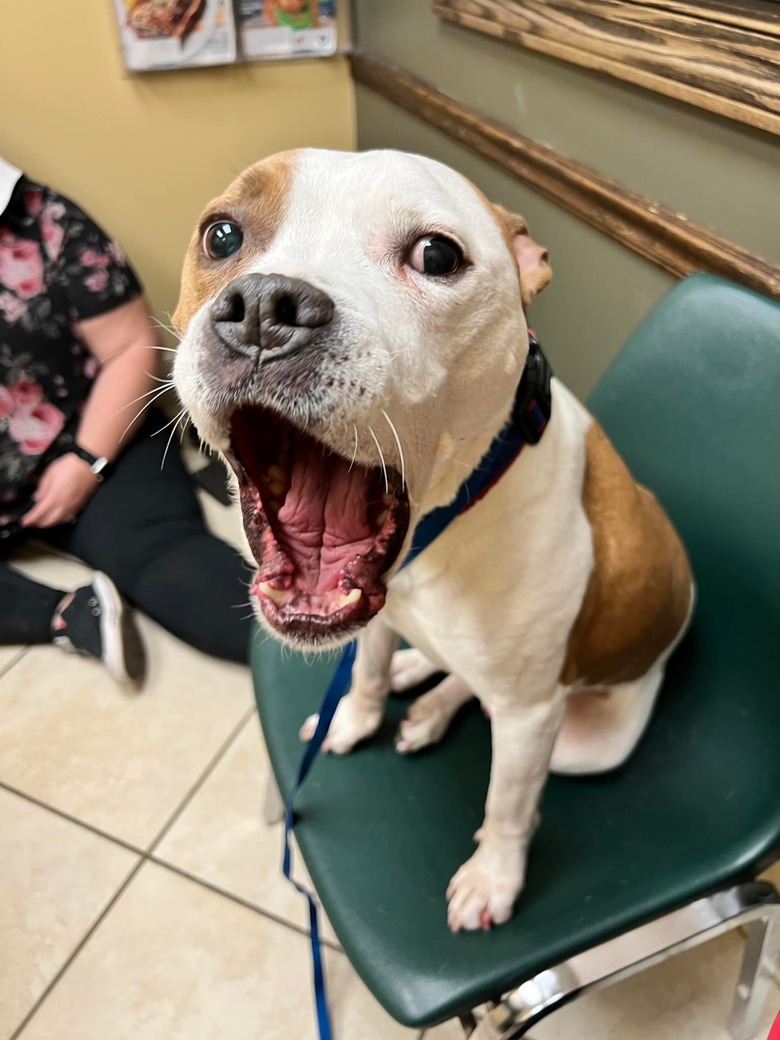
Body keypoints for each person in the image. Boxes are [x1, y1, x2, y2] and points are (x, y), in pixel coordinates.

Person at [0, 157, 252, 683]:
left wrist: (84, 460)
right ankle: (68, 613)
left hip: (87, 439)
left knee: (174, 570)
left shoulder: (47, 221)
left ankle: (382, 663)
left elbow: (133, 345)